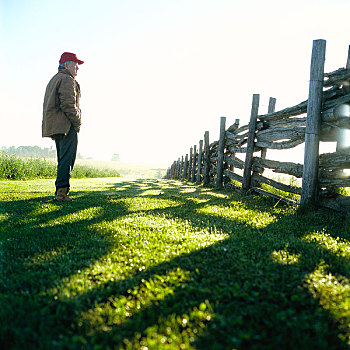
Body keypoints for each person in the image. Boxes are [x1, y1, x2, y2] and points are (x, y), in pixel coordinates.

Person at [42, 52, 84, 201]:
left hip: (57, 126)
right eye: (75, 64)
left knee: (63, 159)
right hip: (66, 126)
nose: (77, 68)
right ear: (66, 65)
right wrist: (77, 122)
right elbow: (68, 104)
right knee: (67, 159)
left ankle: (60, 191)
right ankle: (62, 194)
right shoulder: (67, 79)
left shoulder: (55, 78)